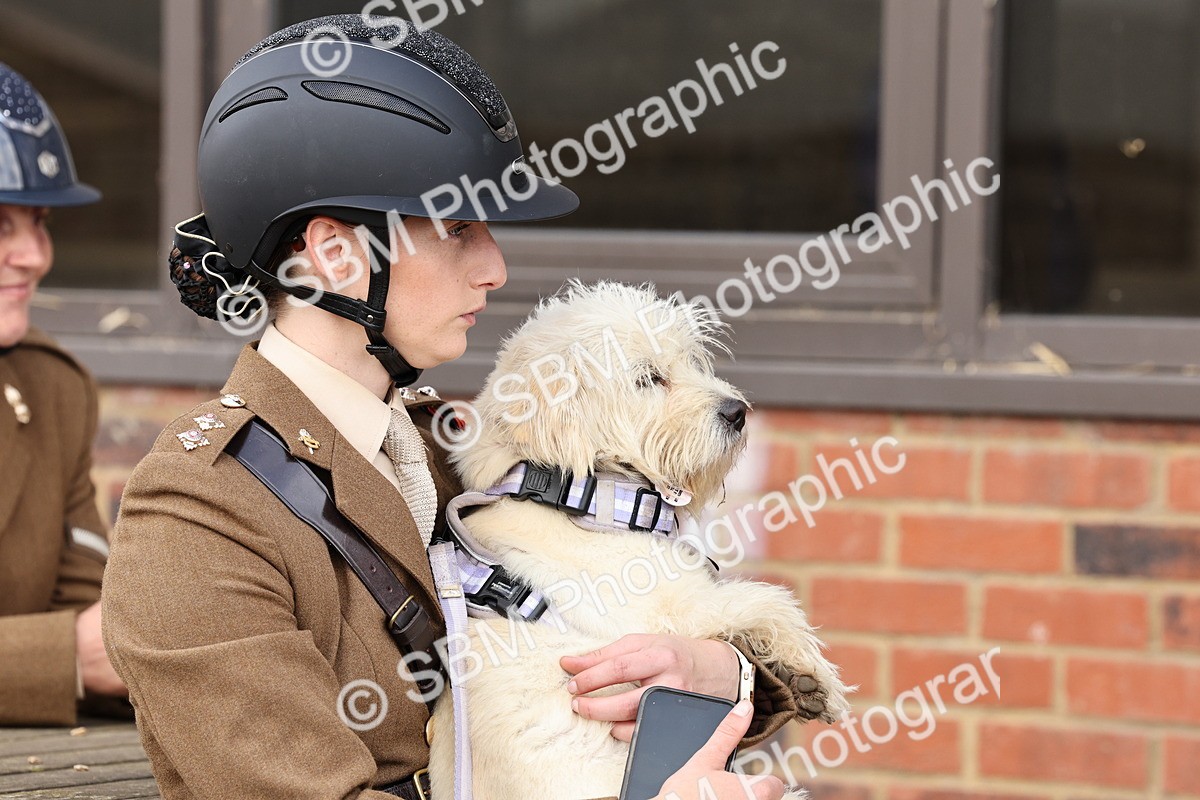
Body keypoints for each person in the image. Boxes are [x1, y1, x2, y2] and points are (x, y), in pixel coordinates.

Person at [101, 16, 797, 799]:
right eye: (459, 228)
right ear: (335, 253)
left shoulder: (449, 447)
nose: (494, 267)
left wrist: (713, 667)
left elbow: (655, 610)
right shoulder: (199, 514)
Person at [0, 62, 128, 726]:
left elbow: (95, 617)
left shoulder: (49, 389)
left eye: (40, 222)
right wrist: (63, 657)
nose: (34, 256)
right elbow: (81, 647)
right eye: (1, 226)